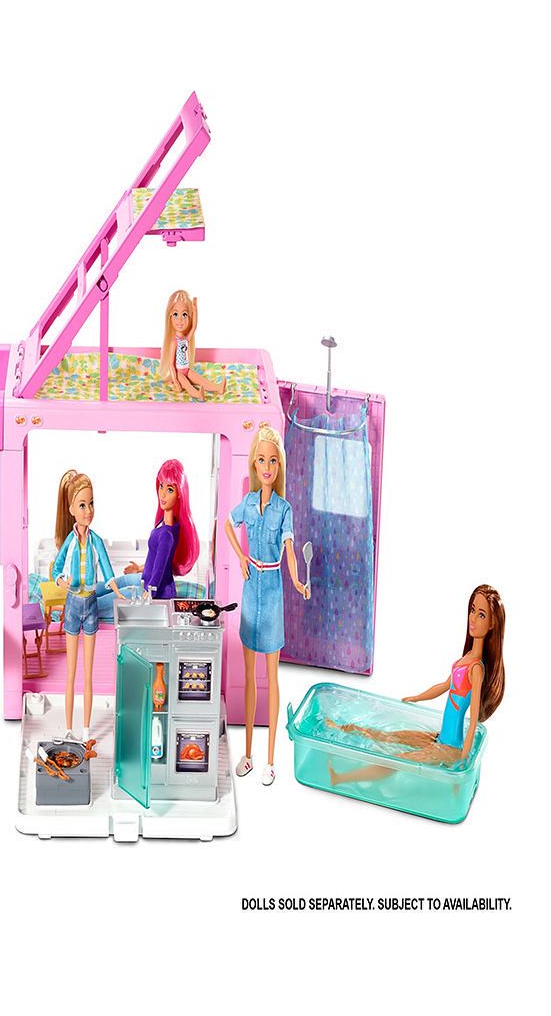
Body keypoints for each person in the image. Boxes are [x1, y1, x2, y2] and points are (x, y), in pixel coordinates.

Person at [325, 585, 506, 784]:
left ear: (492, 624)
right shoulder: (467, 658)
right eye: (472, 610)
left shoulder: (476, 669)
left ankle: (340, 778)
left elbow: (472, 723)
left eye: (481, 615)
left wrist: (462, 766)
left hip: (450, 749)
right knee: (386, 736)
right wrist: (417, 697)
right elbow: (444, 685)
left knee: (396, 761)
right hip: (439, 738)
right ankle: (340, 727)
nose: (473, 618)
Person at [224, 424, 309, 786]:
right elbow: (228, 525)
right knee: (248, 675)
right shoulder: (247, 503)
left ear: (279, 466)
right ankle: (247, 753)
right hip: (250, 589)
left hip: (272, 590)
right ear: (255, 465)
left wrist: (297, 581)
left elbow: (290, 550)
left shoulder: (284, 509)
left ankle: (271, 760)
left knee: (271, 677)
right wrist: (241, 556)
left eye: (273, 461)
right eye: (262, 460)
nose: (267, 466)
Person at [51, 470, 123, 739]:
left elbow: (107, 570)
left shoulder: (96, 541)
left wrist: (119, 593)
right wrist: (62, 581)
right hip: (72, 605)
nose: (88, 511)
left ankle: (85, 730)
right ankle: (69, 729)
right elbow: (56, 569)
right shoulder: (69, 542)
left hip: (91, 604)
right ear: (71, 509)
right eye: (82, 505)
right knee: (71, 673)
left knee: (88, 673)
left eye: (91, 503)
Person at [123, 458, 200, 599]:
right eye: (161, 486)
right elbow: (158, 559)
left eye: (170, 490)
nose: (163, 494)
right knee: (106, 587)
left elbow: (159, 568)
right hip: (146, 580)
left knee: (99, 601)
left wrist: (150, 592)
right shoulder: (165, 524)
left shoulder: (167, 533)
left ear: (179, 494)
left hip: (155, 590)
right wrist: (139, 568)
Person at [156, 290, 226, 399]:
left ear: (189, 317)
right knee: (188, 386)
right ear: (170, 316)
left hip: (187, 370)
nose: (180, 319)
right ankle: (198, 395)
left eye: (184, 314)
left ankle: (218, 388)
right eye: (175, 314)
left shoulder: (185, 339)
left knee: (201, 380)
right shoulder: (174, 342)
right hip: (179, 373)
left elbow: (194, 327)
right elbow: (171, 365)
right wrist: (176, 381)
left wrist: (195, 310)